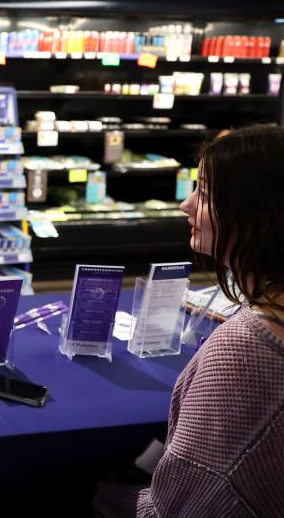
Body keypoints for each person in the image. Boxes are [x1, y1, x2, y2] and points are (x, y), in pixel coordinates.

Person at [95, 124, 284, 517]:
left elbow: (176, 506)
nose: (186, 204)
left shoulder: (244, 348)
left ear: (259, 218)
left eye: (206, 193)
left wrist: (104, 496)